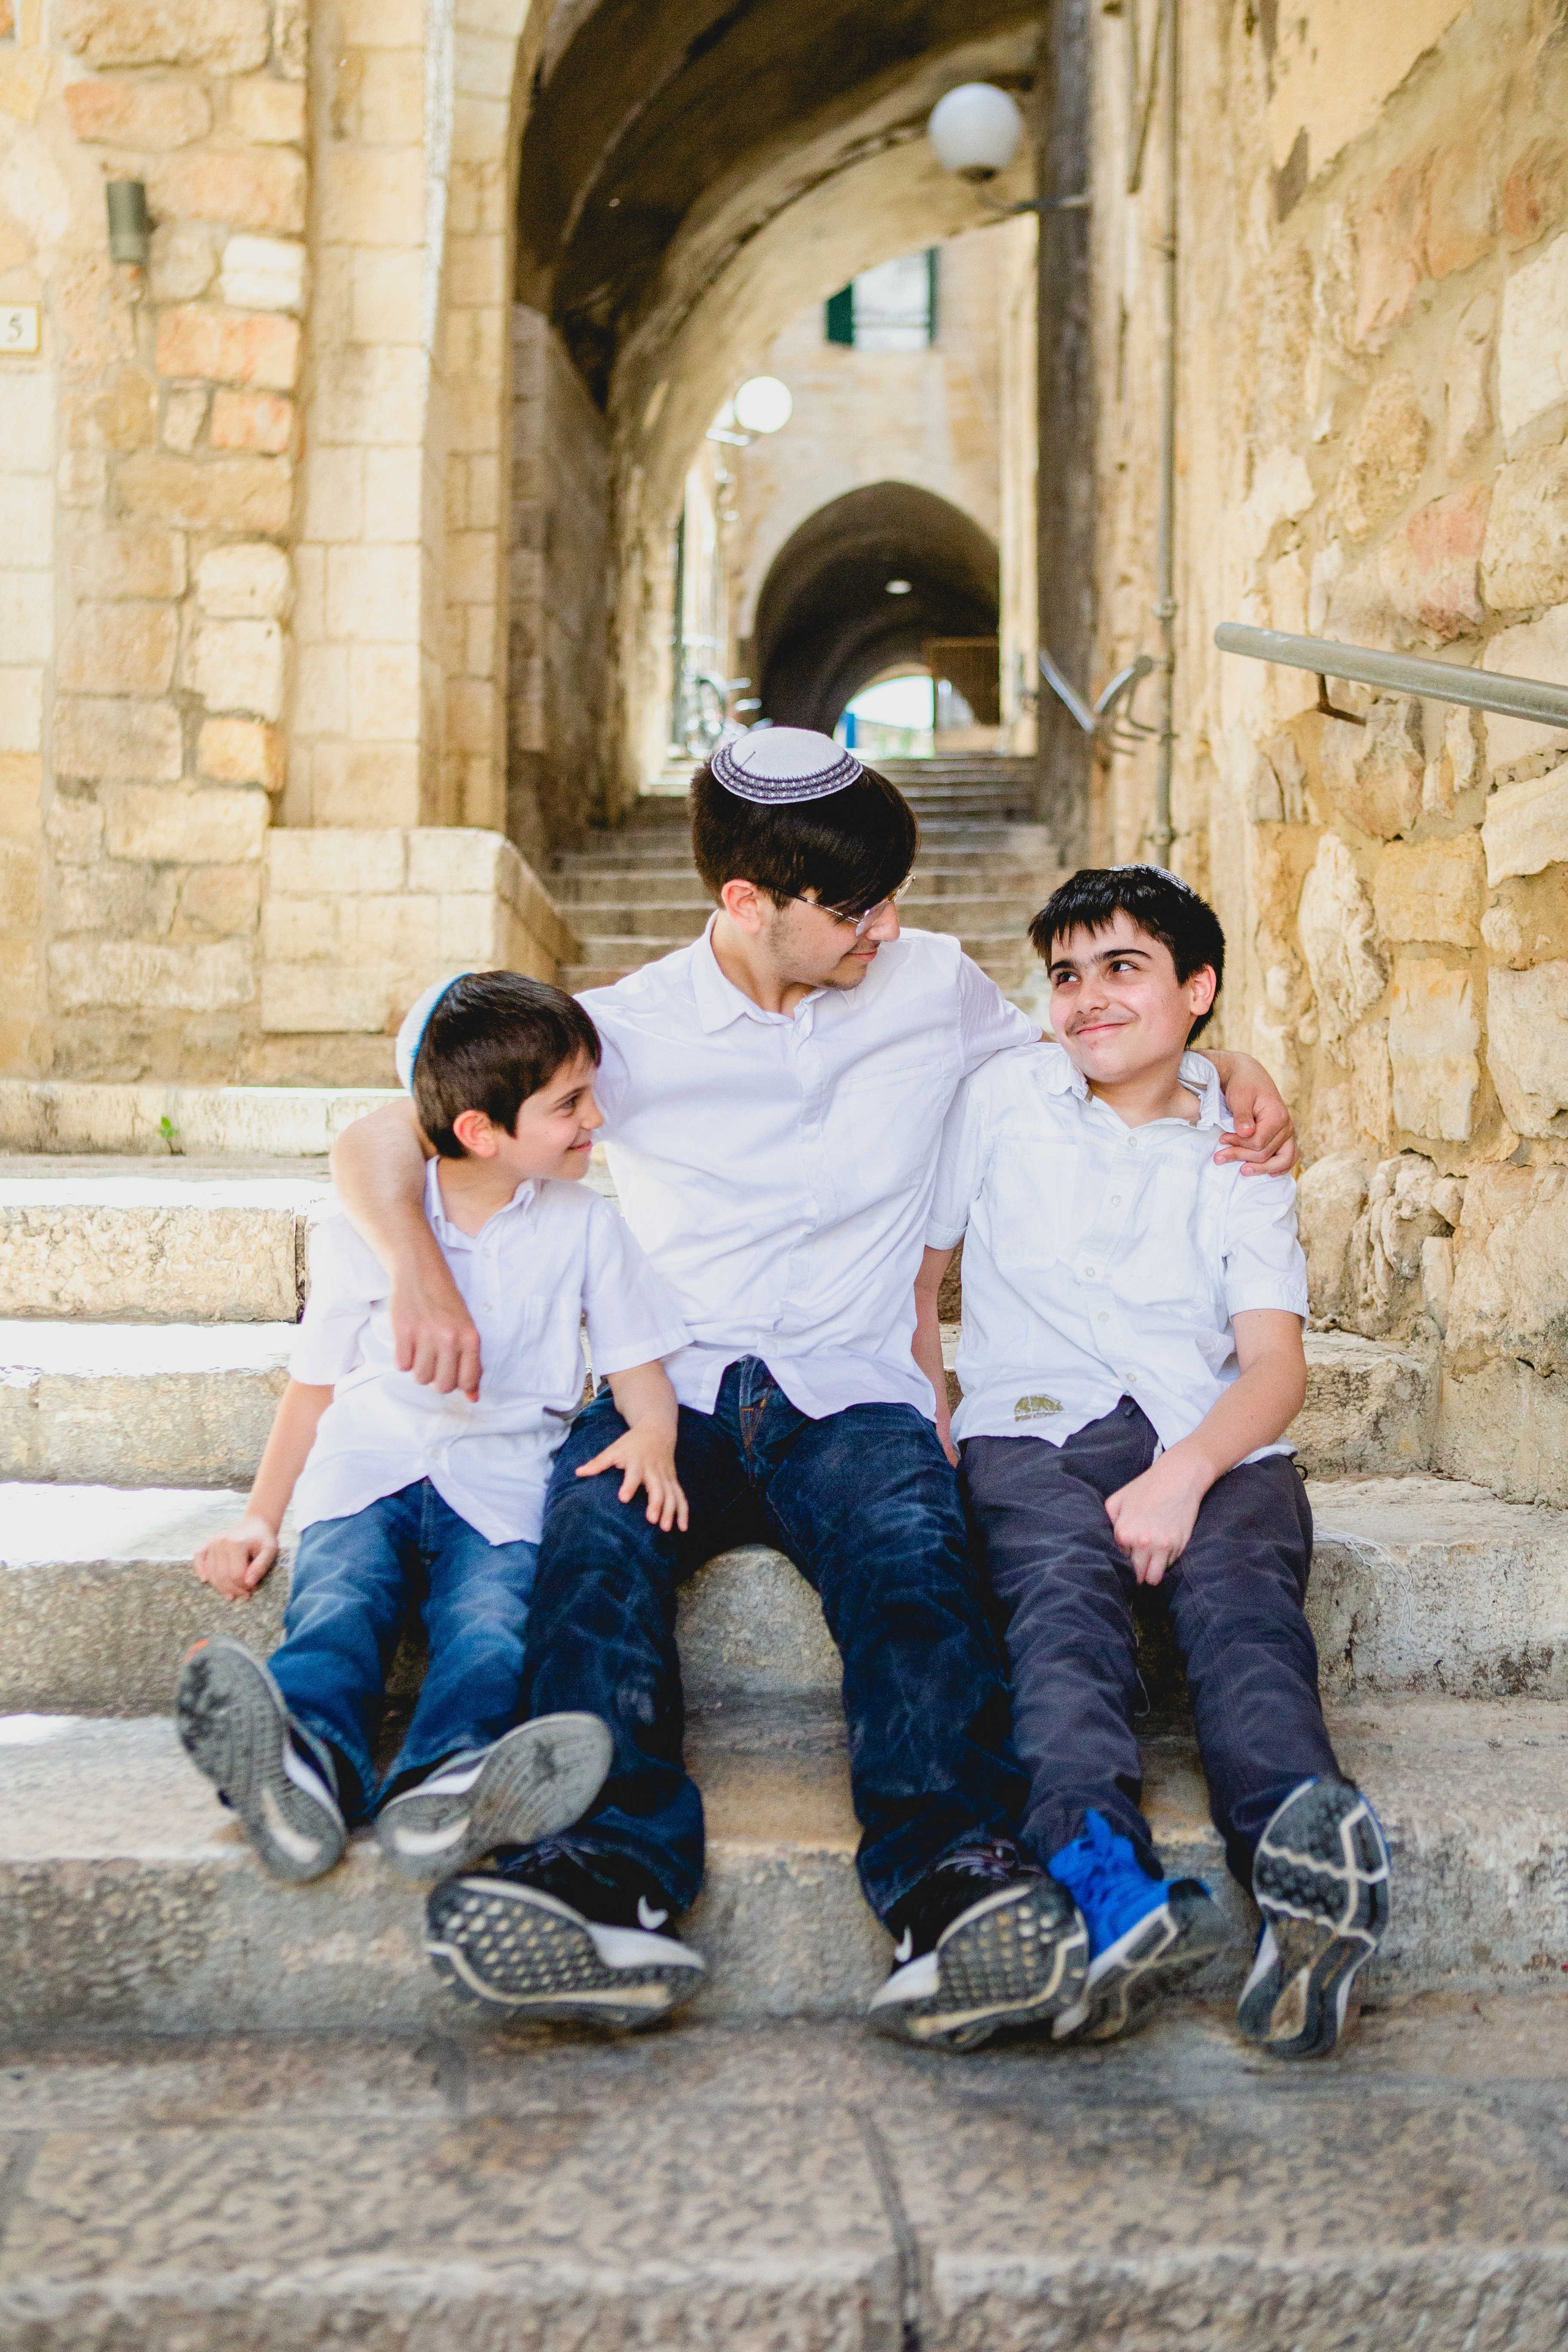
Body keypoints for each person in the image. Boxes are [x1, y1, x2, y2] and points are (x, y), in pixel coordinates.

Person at [331, 729, 1296, 2050]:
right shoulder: (623, 1029)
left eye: (889, 900)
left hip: (854, 1385)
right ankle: (606, 1879)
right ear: (743, 904)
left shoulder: (932, 985)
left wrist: (1229, 1066)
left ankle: (951, 1888)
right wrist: (416, 1272)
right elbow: (387, 1126)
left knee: (915, 1568)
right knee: (592, 1547)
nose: (883, 927)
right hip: (674, 1383)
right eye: (850, 909)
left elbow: (1095, 1057)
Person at [914, 865, 1390, 2060]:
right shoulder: (1001, 1099)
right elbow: (917, 1286)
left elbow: (1272, 1370)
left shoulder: (1236, 1137)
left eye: (1121, 969)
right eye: (1065, 976)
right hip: (1032, 1431)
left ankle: (1301, 1875)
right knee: (1058, 1613)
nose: (1084, 1000)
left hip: (1211, 1432)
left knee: (1239, 1611)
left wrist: (1184, 1471)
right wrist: (931, 1412)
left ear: (1196, 988)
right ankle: (1100, 1883)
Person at [176, 973, 691, 1943]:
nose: (596, 1119)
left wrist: (654, 1435)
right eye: (570, 1105)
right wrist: (259, 1516)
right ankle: (301, 1763)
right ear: (480, 1131)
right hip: (366, 1468)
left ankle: (449, 1778)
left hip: (502, 1484)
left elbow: (634, 1363)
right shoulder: (366, 1236)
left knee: (492, 1627)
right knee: (337, 1606)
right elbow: (317, 1385)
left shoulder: (587, 1227)